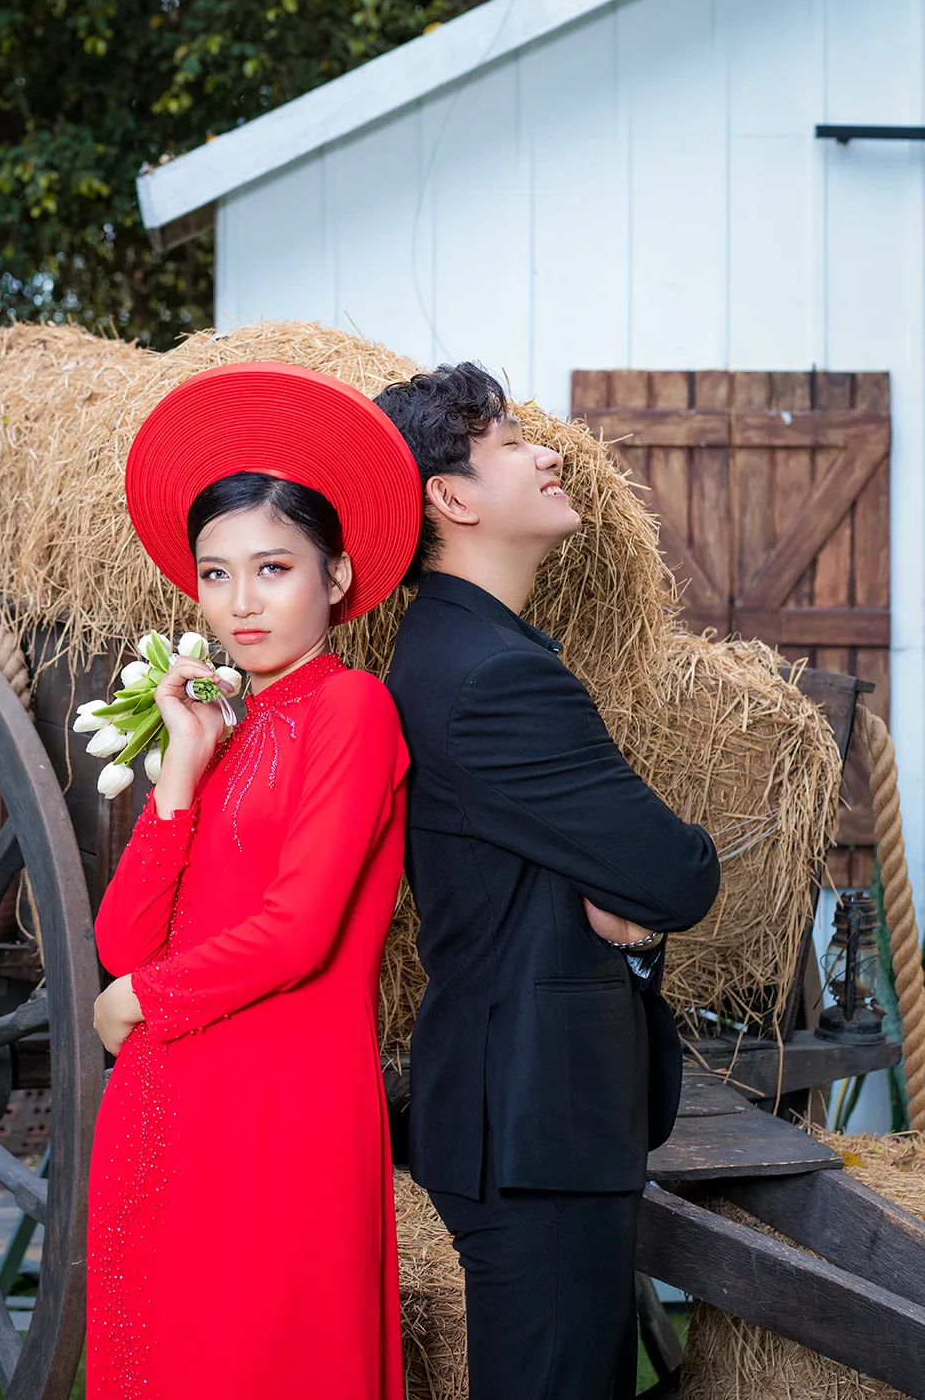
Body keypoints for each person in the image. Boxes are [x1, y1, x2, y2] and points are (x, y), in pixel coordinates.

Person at [376, 362, 721, 1400]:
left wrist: (637, 929)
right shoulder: (493, 677)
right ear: (452, 496)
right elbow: (678, 873)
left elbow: (626, 892)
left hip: (531, 1116)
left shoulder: (465, 647)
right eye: (512, 440)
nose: (548, 452)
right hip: (535, 1121)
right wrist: (646, 917)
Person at [85, 362, 423, 1400]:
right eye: (217, 573)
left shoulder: (352, 710)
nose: (241, 602)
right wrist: (179, 774)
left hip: (280, 1110)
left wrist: (141, 1001)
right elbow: (122, 941)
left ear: (337, 574)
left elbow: (299, 930)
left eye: (273, 568)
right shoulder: (224, 729)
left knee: (269, 1362)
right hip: (166, 1110)